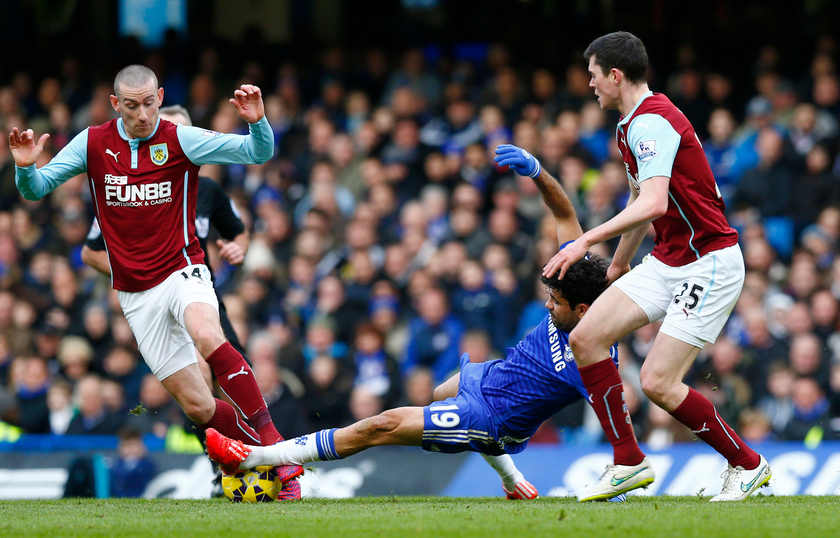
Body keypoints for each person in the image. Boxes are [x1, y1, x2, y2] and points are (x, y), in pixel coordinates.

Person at [204, 145, 625, 502]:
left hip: (490, 419)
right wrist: (537, 171)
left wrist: (622, 474)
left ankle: (255, 458)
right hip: (488, 377)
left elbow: (615, 413)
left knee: (381, 425)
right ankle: (512, 480)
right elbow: (565, 213)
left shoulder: (595, 356)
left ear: (585, 311)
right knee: (443, 387)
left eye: (557, 302)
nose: (549, 306)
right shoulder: (575, 286)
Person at [10, 65, 303, 497]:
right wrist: (23, 168)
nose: (143, 113)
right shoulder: (92, 143)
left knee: (208, 334)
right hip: (135, 294)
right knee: (200, 406)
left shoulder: (180, 137)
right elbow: (36, 189)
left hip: (183, 269)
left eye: (149, 103)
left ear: (160, 97)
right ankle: (264, 457)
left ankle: (279, 452)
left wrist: (257, 122)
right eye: (131, 106)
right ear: (115, 104)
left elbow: (257, 154)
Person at [541, 32, 771, 502]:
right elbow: (639, 202)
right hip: (670, 257)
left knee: (657, 383)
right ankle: (628, 463)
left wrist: (586, 238)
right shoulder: (632, 123)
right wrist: (620, 263)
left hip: (709, 262)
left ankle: (749, 465)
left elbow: (653, 202)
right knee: (585, 338)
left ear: (615, 75)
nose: (589, 85)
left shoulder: (652, 124)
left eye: (593, 75)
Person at [82, 104, 250, 386]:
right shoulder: (128, 192)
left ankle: (253, 430)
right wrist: (139, 274)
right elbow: (91, 252)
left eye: (179, 132)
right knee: (200, 379)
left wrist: (239, 248)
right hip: (161, 303)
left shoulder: (207, 189)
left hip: (202, 294)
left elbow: (238, 231)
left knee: (239, 375)